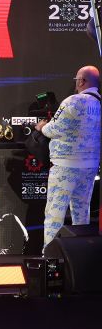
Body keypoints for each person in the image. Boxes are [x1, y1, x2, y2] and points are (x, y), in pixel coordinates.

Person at [36, 65, 101, 250]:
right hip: (90, 166)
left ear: (81, 81)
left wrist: (42, 127)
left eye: (76, 80)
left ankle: (49, 257)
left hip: (66, 166)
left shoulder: (73, 101)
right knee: (82, 213)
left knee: (54, 214)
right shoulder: (99, 103)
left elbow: (53, 129)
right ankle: (82, 255)